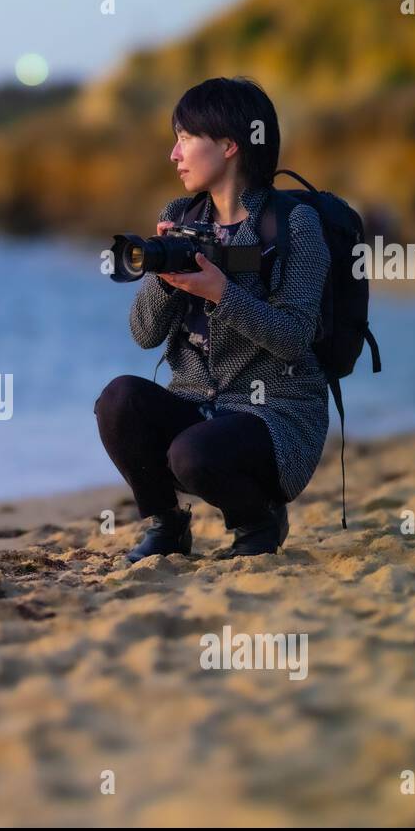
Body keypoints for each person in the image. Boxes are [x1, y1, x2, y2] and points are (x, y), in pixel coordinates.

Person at [94, 77, 330, 561]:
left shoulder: (292, 226)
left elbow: (293, 338)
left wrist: (222, 293)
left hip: (274, 416)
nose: (173, 155)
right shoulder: (180, 214)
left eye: (184, 139)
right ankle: (167, 524)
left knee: (193, 454)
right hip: (196, 405)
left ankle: (257, 521)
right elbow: (143, 335)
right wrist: (165, 276)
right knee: (118, 400)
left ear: (228, 146)